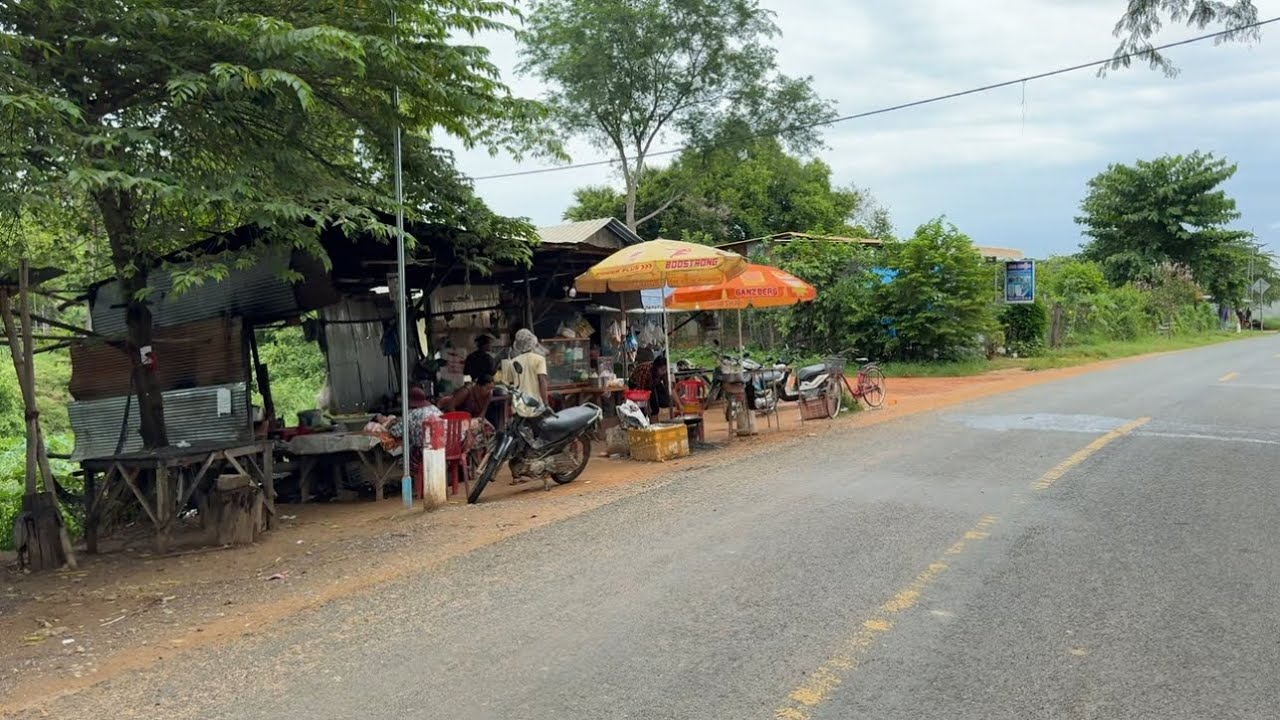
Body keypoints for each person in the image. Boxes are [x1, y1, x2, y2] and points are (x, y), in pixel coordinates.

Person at [377, 387, 442, 450]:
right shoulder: (435, 409)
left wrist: (389, 425)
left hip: (425, 450)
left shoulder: (413, 414)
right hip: (441, 446)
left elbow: (395, 432)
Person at [499, 328, 549, 403]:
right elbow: (542, 381)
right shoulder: (539, 359)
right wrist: (545, 402)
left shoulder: (512, 362)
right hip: (536, 405)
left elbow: (508, 384)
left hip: (519, 405)